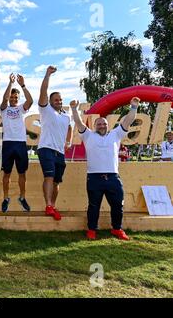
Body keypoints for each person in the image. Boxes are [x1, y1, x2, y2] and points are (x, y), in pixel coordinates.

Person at [71, 97, 140, 240]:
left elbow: (128, 120)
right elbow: (78, 122)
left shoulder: (116, 134)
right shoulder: (88, 135)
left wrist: (133, 107)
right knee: (93, 206)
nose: (102, 125)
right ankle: (91, 230)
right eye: (99, 123)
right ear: (95, 126)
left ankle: (117, 229)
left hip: (113, 178)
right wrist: (74, 109)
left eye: (104, 123)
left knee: (117, 206)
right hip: (94, 178)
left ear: (108, 125)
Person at [37, 66, 72, 221]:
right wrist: (47, 74)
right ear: (50, 102)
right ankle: (48, 205)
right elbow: (43, 91)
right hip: (46, 149)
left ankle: (53, 205)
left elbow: (70, 127)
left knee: (57, 181)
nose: (59, 101)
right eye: (56, 100)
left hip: (60, 152)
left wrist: (68, 141)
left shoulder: (66, 115)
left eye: (60, 99)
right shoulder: (46, 110)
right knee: (49, 177)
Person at [0, 73, 33, 213]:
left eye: (16, 98)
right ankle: (6, 198)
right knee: (6, 174)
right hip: (8, 143)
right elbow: (4, 99)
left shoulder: (21, 109)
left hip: (20, 143)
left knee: (22, 174)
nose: (13, 99)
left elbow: (30, 100)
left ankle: (22, 197)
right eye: (12, 97)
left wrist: (23, 85)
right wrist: (10, 83)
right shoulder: (4, 109)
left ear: (18, 99)